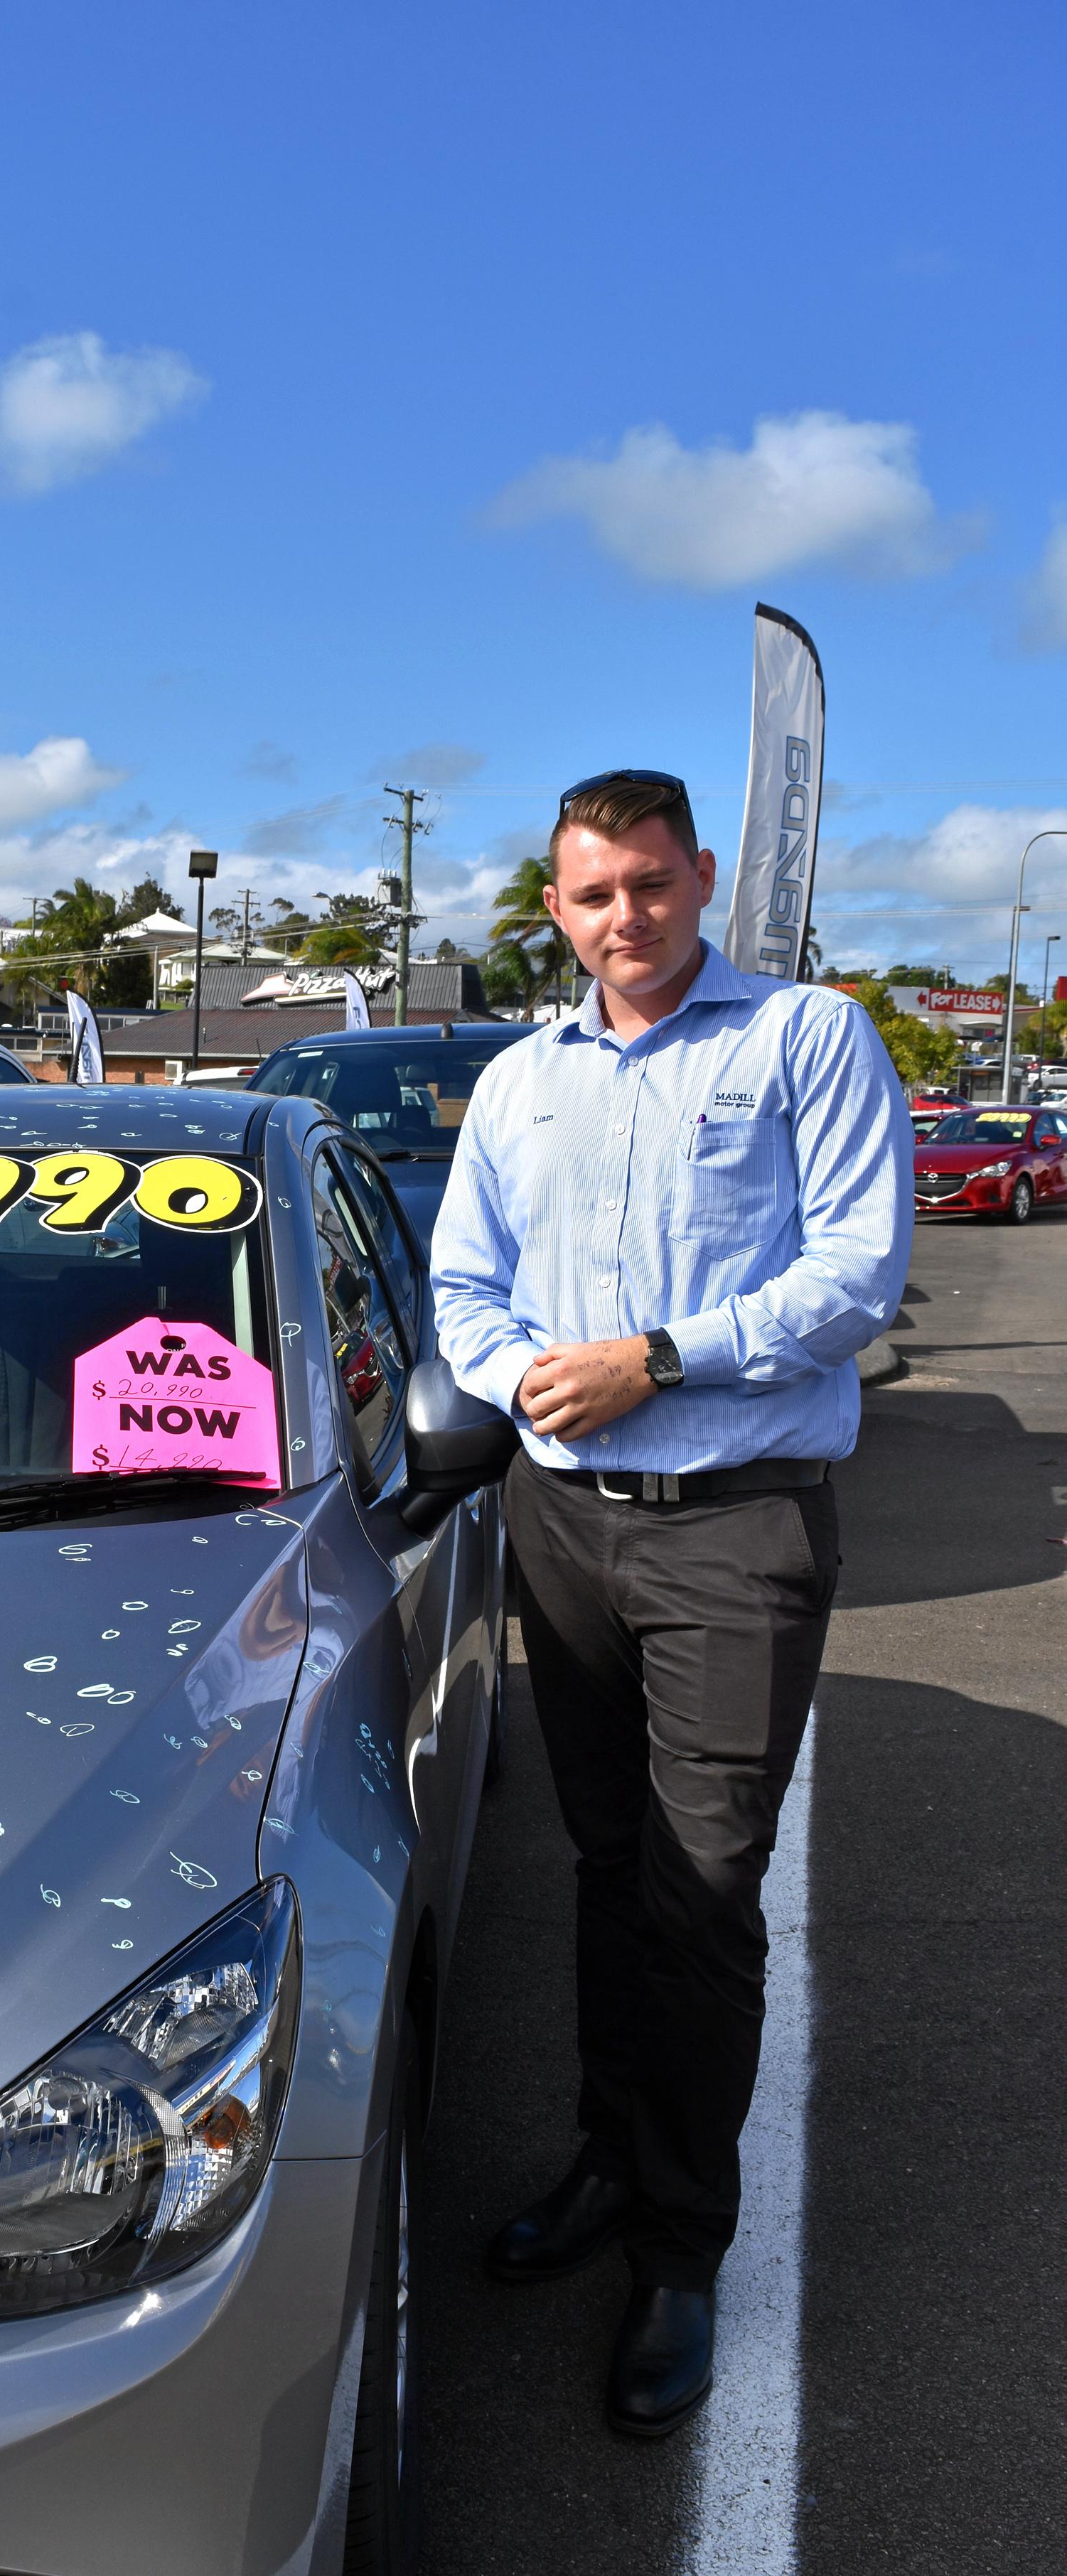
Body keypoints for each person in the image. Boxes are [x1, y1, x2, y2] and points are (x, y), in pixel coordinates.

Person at [430, 769, 911, 2437]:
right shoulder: (519, 1080)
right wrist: (532, 1384)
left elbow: (858, 1273)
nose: (624, 916)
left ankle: (681, 2243)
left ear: (700, 875)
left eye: (649, 881)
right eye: (591, 893)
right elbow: (464, 1285)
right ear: (552, 907)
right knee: (610, 1866)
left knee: (701, 1891)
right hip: (563, 1523)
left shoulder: (807, 1039)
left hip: (737, 1530)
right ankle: (606, 2155)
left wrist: (658, 1358)